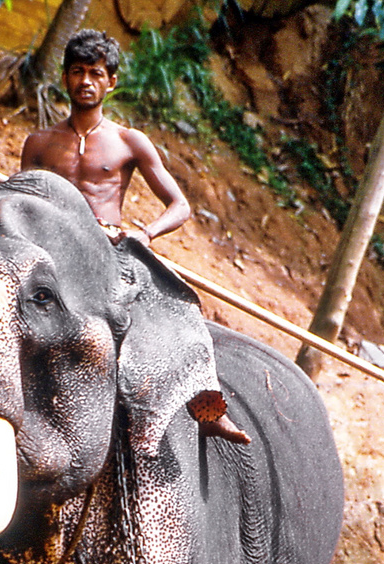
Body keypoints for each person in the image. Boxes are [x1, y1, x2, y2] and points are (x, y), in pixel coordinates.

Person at [21, 29, 250, 443]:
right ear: (65, 77)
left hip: (108, 254)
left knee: (178, 311)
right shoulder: (39, 143)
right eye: (77, 71)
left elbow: (180, 205)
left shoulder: (129, 142)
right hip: (47, 253)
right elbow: (21, 200)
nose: (86, 81)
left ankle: (207, 408)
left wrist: (145, 233)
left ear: (112, 82)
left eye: (95, 73)